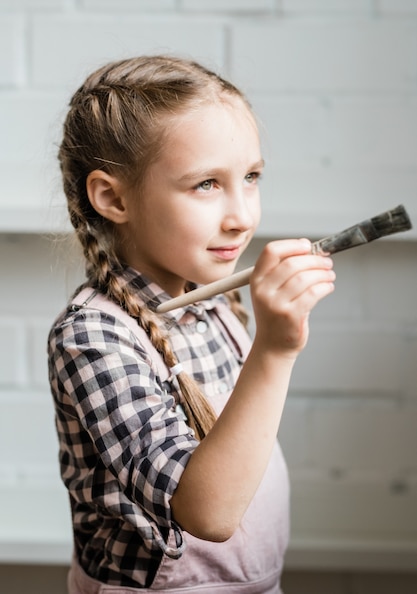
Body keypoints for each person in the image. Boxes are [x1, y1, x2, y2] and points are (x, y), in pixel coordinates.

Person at [48, 54, 335, 593]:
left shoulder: (215, 304)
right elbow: (209, 513)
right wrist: (274, 351)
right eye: (206, 184)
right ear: (112, 197)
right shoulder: (93, 337)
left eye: (250, 177)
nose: (242, 216)